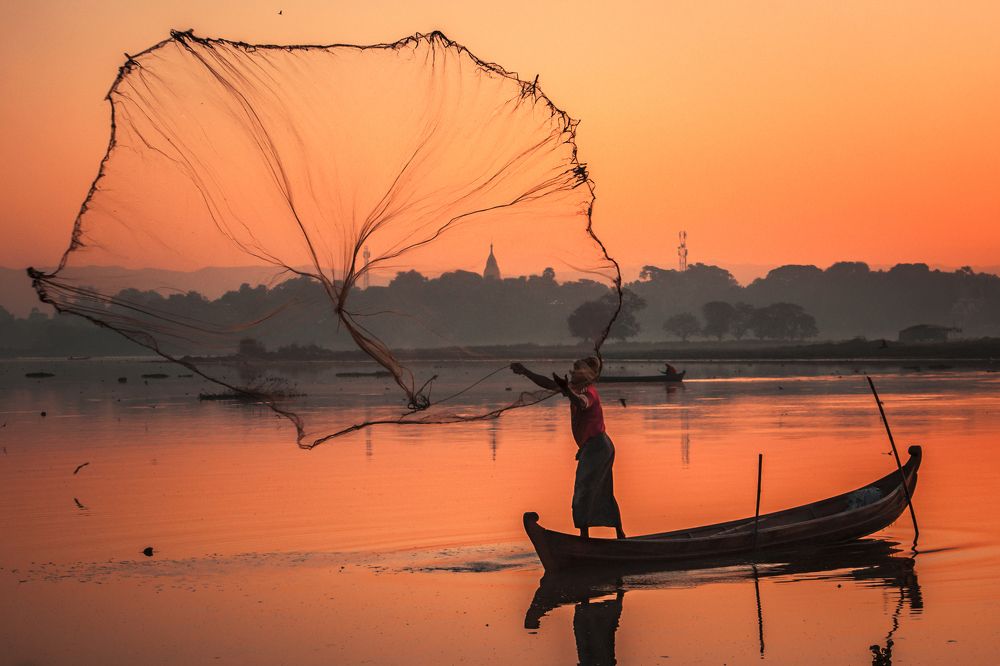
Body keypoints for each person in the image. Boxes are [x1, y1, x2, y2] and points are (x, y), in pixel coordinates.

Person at [511, 357, 625, 539]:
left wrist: (567, 390)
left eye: (576, 372)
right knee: (597, 490)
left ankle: (586, 538)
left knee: (583, 490)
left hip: (598, 447)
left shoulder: (588, 392)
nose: (572, 374)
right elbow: (548, 384)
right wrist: (525, 371)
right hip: (595, 447)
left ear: (585, 376)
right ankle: (616, 535)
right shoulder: (574, 388)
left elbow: (581, 402)